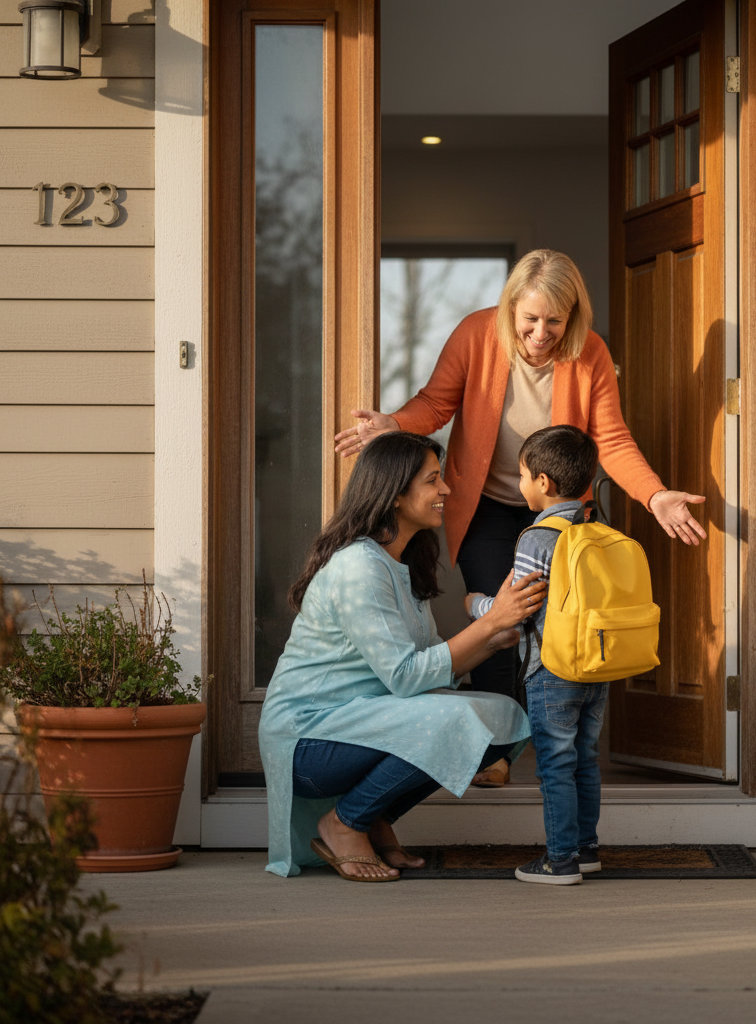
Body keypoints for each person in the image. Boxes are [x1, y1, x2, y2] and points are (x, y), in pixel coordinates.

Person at [334, 249, 706, 787]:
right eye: (530, 318)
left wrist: (655, 497)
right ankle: (495, 754)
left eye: (554, 320)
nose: (540, 332)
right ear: (511, 309)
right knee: (498, 617)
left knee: (553, 618)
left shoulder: (589, 353)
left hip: (555, 510)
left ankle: (555, 741)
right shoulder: (476, 334)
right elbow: (436, 404)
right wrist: (392, 423)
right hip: (484, 503)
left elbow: (613, 439)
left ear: (572, 315)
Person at [258, 431, 545, 881]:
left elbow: (431, 665)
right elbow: (407, 677)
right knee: (453, 722)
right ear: (394, 494)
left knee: (505, 720)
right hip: (310, 739)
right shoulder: (359, 567)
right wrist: (487, 624)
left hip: (364, 722)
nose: (446, 490)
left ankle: (372, 817)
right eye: (434, 480)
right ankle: (344, 823)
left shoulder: (400, 564)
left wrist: (490, 640)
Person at [466, 425, 605, 885]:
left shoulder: (536, 538)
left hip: (551, 669)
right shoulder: (597, 528)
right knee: (584, 758)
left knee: (555, 763)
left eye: (522, 474)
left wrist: (476, 606)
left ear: (543, 482)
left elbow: (517, 609)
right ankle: (586, 850)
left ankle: (559, 859)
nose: (520, 483)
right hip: (596, 666)